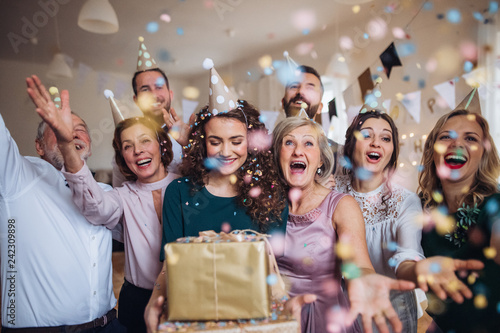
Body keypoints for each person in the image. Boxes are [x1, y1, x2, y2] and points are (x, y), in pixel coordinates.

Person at [29, 74, 180, 331]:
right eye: (127, 146)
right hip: (137, 299)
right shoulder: (121, 195)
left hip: (184, 293)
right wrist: (67, 144)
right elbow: (94, 206)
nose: (138, 150)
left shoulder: (185, 186)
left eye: (145, 140)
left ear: (160, 144)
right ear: (122, 157)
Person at [144, 64, 290, 331]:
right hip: (194, 310)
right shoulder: (179, 192)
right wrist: (154, 299)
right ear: (202, 144)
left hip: (252, 313)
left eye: (236, 141)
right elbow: (170, 263)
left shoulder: (271, 194)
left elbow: (271, 266)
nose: (226, 151)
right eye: (215, 141)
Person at [336, 109, 484, 332]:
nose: (376, 143)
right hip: (337, 308)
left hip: (390, 311)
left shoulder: (406, 201)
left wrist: (418, 269)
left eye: (385, 138)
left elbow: (406, 255)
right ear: (350, 144)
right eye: (367, 135)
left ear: (392, 151)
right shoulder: (330, 191)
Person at [0, 75, 125, 331]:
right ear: (39, 146)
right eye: (58, 127)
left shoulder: (104, 192)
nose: (70, 131)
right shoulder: (16, 175)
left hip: (108, 325)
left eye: (80, 129)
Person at [272, 116, 417, 333]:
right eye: (289, 142)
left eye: (308, 143)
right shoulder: (263, 205)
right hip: (275, 319)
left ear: (321, 159)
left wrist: (364, 282)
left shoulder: (341, 205)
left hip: (323, 320)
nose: (298, 151)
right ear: (277, 155)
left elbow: (359, 265)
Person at [418, 107, 500, 333]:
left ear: (483, 153)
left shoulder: (495, 205)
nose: (457, 144)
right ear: (432, 150)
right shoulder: (420, 208)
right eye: (446, 136)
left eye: (471, 138)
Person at [282, 64, 340, 178]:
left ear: (320, 107)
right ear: (283, 103)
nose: (301, 91)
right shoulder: (262, 150)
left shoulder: (340, 154)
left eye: (310, 87)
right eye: (294, 86)